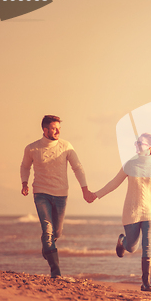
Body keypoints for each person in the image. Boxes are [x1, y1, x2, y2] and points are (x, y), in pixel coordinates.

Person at [93, 132, 151, 291]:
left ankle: (146, 283)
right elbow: (114, 183)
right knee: (132, 247)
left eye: (141, 143)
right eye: (137, 143)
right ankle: (123, 241)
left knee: (148, 245)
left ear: (150, 147)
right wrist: (96, 195)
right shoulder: (129, 165)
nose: (137, 145)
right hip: (131, 212)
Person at [20, 115, 96, 278]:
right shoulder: (32, 148)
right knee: (48, 231)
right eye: (54, 128)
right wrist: (24, 183)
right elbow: (25, 167)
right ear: (45, 129)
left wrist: (85, 189)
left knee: (57, 233)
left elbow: (78, 167)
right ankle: (56, 271)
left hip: (61, 194)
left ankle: (47, 246)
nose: (58, 131)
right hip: (41, 193)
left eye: (59, 128)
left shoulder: (66, 146)